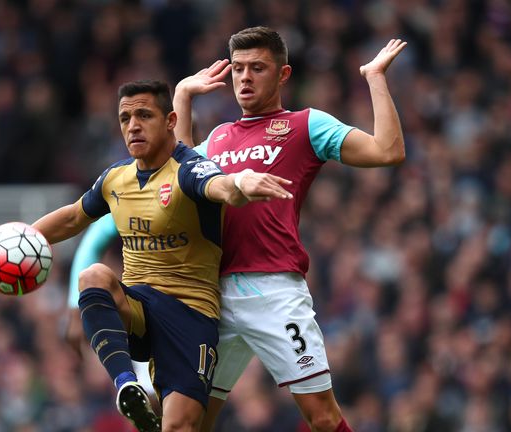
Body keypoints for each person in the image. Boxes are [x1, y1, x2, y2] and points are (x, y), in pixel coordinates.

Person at [67, 28, 406, 431]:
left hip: (274, 290)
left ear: (283, 74)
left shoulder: (305, 124)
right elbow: (178, 177)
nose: (244, 78)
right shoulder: (220, 138)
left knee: (322, 417)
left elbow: (388, 150)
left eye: (257, 68)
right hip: (212, 300)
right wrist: (184, 95)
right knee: (185, 423)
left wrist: (375, 78)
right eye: (239, 69)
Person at [0, 79, 293, 432]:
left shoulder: (189, 169)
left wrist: (241, 183)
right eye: (125, 118)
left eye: (144, 115)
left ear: (170, 121)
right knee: (92, 276)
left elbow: (221, 187)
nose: (133, 126)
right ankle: (127, 384)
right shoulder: (116, 178)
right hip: (137, 304)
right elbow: (72, 217)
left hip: (189, 313)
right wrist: (1, 256)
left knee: (180, 427)